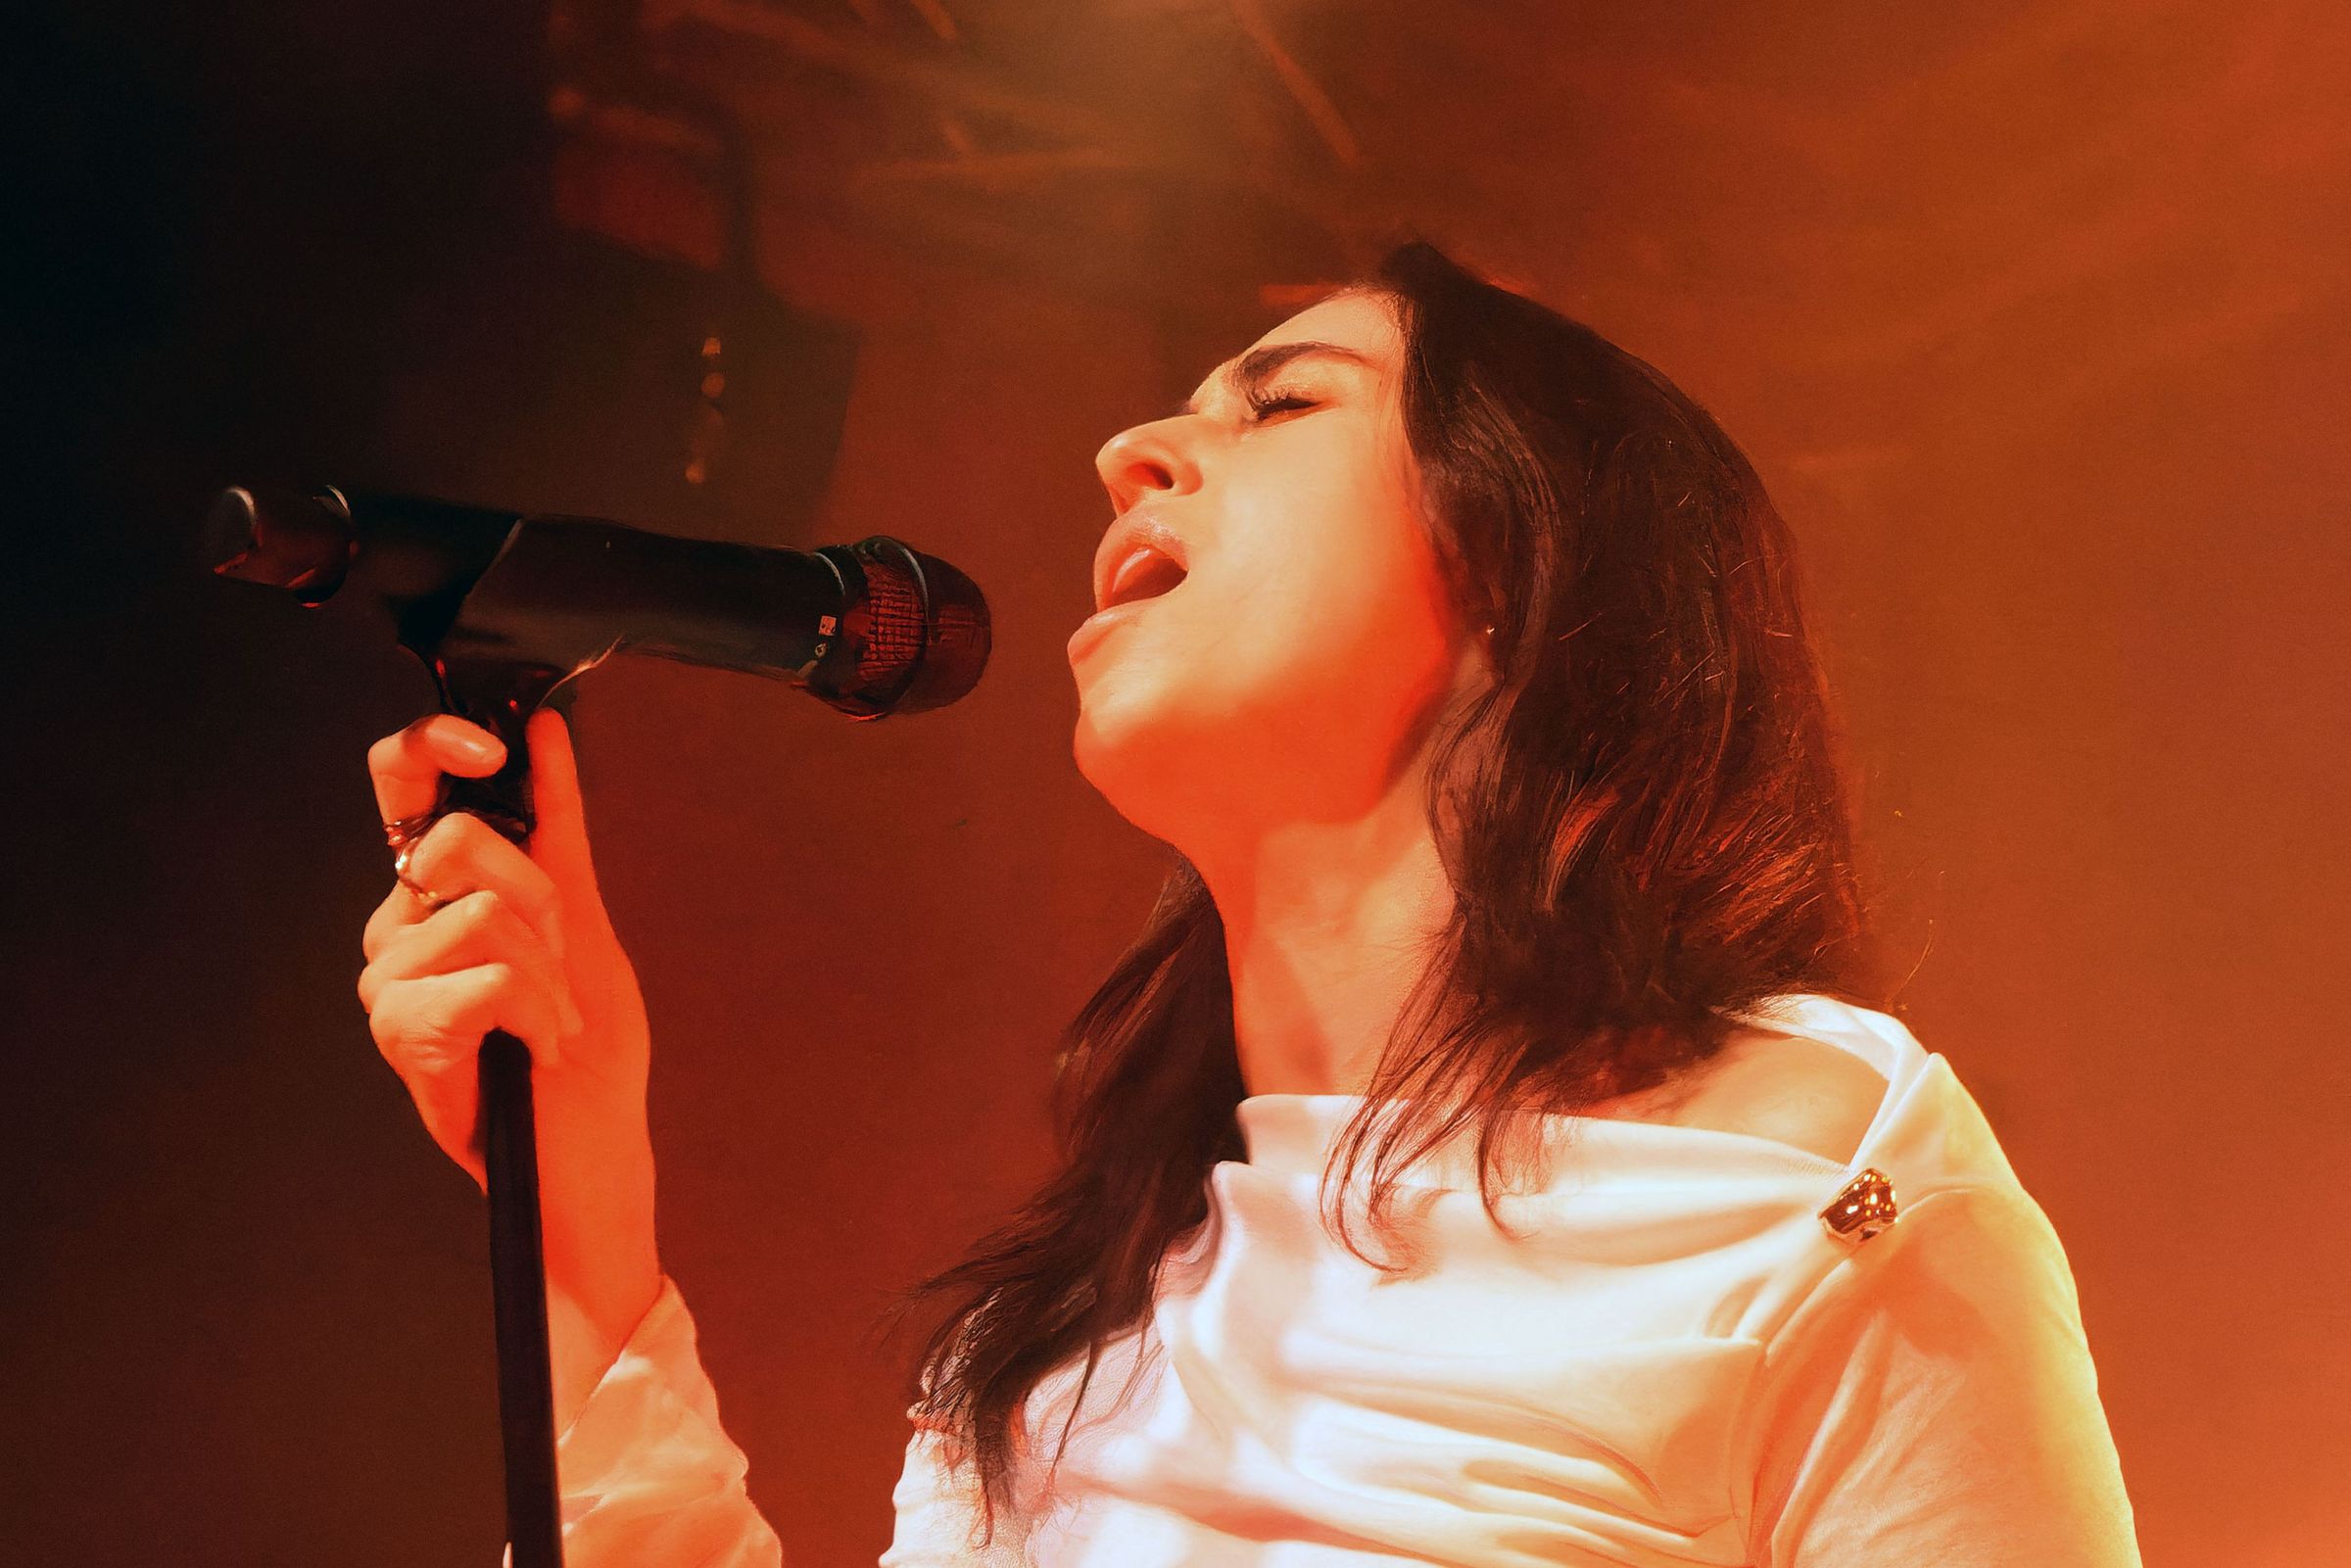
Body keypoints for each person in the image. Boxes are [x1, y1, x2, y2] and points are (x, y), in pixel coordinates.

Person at [356, 243, 2142, 1565]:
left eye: (1282, 404)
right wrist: (580, 1186)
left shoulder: (1818, 1189)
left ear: (1522, 561)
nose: (1129, 450)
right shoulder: (1070, 1335)